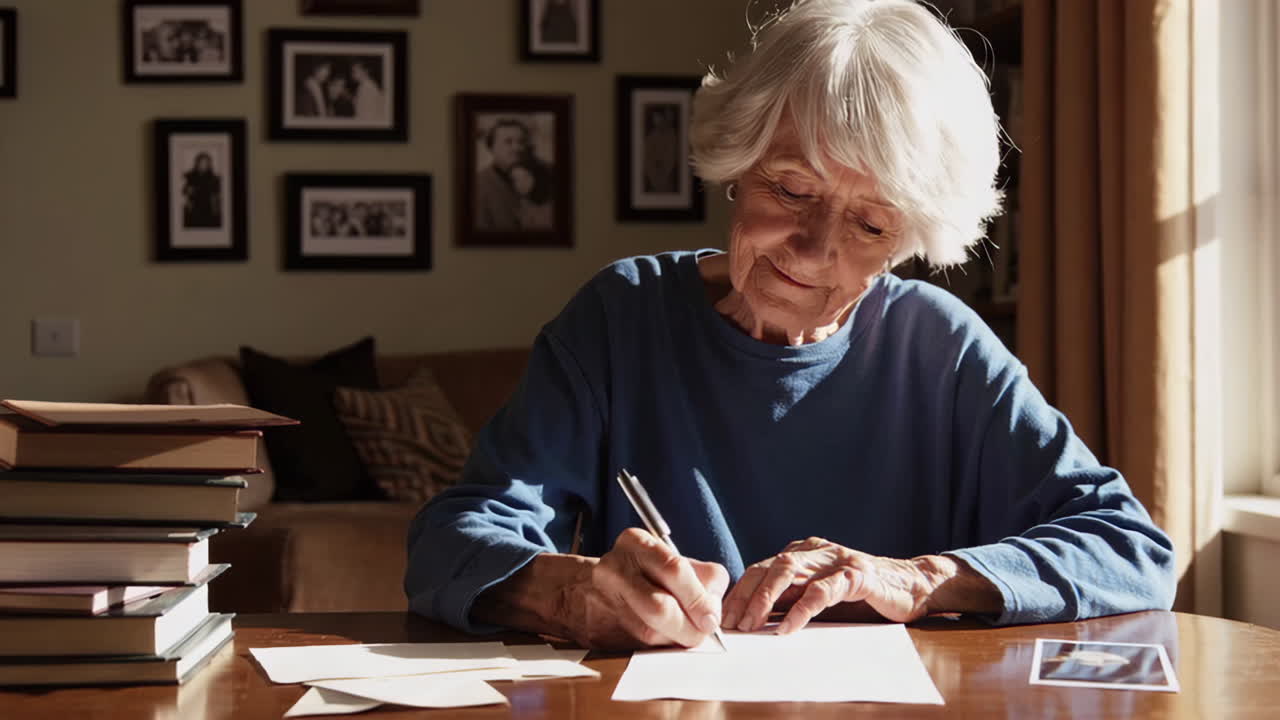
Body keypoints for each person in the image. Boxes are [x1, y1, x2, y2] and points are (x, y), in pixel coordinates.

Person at [406, 0, 1175, 651]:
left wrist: (914, 578)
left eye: (870, 224)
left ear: (910, 241)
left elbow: (1130, 549)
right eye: (792, 189)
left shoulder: (940, 348)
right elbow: (450, 540)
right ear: (738, 165)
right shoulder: (621, 316)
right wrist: (574, 593)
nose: (813, 250)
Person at [475, 119, 533, 231]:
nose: (517, 148)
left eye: (521, 142)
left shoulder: (534, 180)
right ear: (491, 147)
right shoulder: (479, 183)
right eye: (508, 142)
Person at [642, 104, 680, 193]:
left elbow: (671, 157)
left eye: (659, 117)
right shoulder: (651, 137)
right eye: (655, 118)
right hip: (655, 174)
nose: (657, 121)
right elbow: (648, 158)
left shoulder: (673, 135)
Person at [181, 152, 221, 228]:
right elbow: (183, 191)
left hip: (208, 208)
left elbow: (216, 194)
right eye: (201, 162)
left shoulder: (214, 178)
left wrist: (215, 206)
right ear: (196, 163)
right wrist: (188, 191)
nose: (202, 165)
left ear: (209, 164)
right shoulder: (189, 176)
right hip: (193, 207)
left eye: (205, 163)